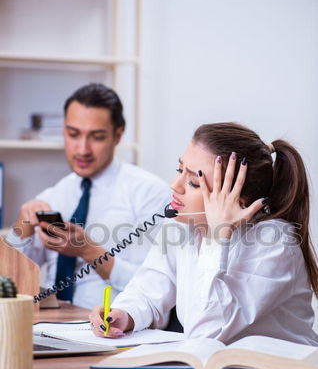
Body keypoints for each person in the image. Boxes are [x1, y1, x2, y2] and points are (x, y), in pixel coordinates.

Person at [90, 122, 318, 346]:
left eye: (193, 182)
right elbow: (149, 290)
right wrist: (125, 314)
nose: (175, 185)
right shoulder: (183, 227)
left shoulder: (275, 242)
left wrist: (218, 237)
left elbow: (206, 332)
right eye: (180, 170)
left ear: (238, 201)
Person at [6, 84, 171, 309]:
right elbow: (8, 284)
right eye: (73, 134)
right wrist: (22, 225)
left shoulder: (150, 193)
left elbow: (157, 288)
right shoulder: (53, 195)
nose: (82, 149)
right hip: (48, 323)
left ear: (118, 135)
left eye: (97, 137)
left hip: (111, 330)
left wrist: (88, 250)